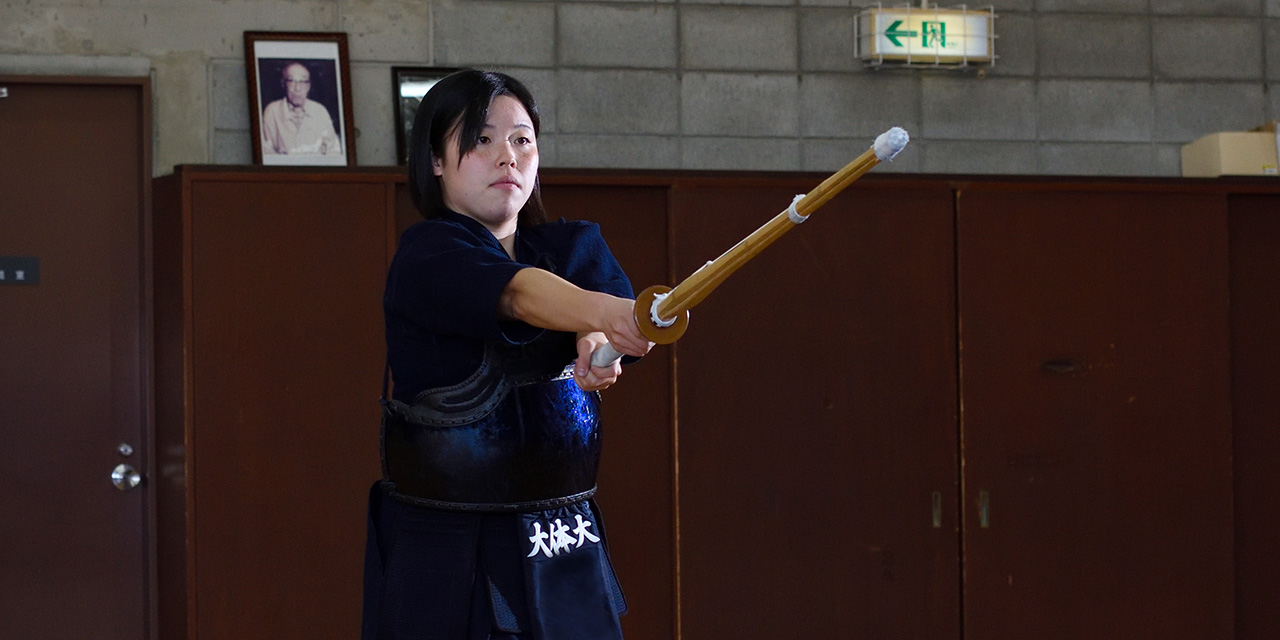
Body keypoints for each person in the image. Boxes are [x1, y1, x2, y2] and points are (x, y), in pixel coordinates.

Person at [362, 69, 656, 640]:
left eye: (522, 139)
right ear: (436, 162)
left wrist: (596, 339)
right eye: (480, 139)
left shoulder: (571, 248)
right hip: (452, 541)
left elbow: (588, 315)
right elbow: (520, 293)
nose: (508, 157)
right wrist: (603, 316)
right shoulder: (430, 253)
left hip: (562, 531)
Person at [260, 61, 343, 156]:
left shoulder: (320, 111)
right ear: (283, 84)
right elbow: (266, 152)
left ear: (308, 86)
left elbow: (334, 151)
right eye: (291, 81)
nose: (298, 88)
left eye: (303, 82)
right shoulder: (272, 111)